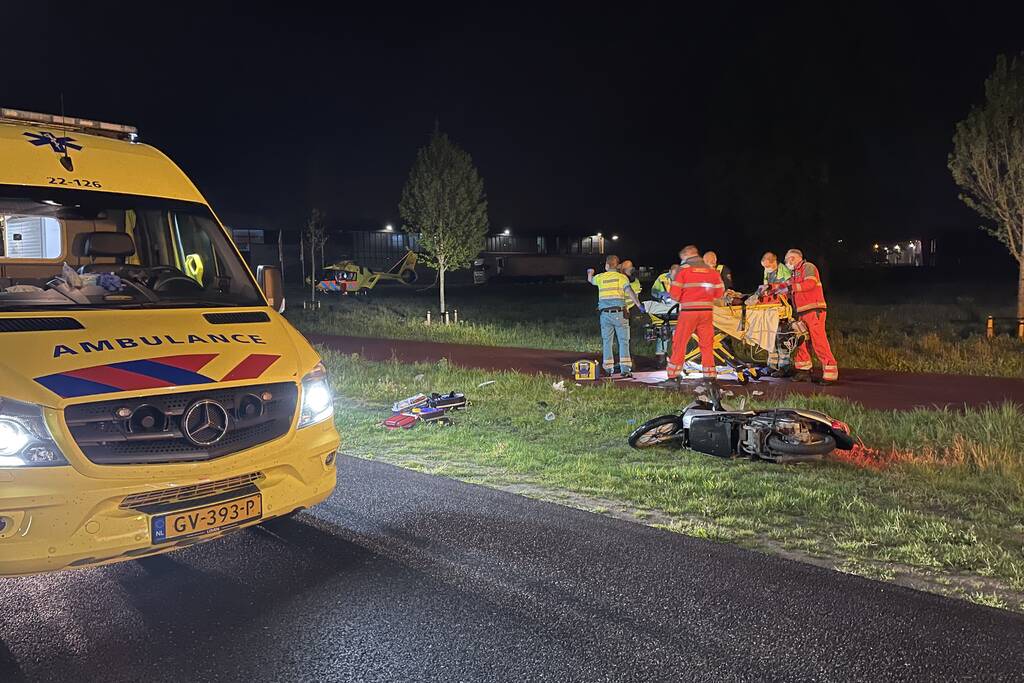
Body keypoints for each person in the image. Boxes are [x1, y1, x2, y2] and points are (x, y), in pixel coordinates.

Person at [665, 246, 725, 383]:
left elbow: (674, 294)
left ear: (687, 255)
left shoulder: (683, 270)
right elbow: (719, 293)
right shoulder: (712, 271)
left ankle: (673, 375)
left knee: (680, 342)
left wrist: (686, 298)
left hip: (688, 313)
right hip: (706, 312)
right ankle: (709, 375)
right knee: (707, 344)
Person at [779, 249, 838, 384]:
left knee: (818, 341)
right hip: (802, 312)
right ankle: (803, 370)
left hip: (814, 310)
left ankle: (830, 373)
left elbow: (809, 284)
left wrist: (790, 288)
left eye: (787, 260)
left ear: (793, 258)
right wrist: (773, 289)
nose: (787, 263)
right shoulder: (794, 273)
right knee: (801, 341)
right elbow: (787, 286)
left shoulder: (808, 267)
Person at [588, 255, 644, 378]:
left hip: (605, 315)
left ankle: (608, 368)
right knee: (624, 341)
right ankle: (625, 369)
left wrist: (590, 272)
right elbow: (630, 292)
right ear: (617, 266)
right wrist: (639, 305)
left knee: (607, 341)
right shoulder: (622, 278)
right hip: (620, 314)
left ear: (607, 266)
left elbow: (590, 280)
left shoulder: (600, 277)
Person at [758, 251, 794, 377]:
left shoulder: (784, 271)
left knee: (782, 336)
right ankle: (772, 365)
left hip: (783, 308)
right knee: (770, 337)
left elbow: (789, 288)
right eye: (764, 267)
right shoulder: (767, 271)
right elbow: (766, 287)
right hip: (771, 309)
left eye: (767, 266)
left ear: (774, 262)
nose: (766, 269)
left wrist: (773, 289)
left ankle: (784, 367)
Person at [650, 264, 680, 367]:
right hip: (664, 311)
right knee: (663, 334)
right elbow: (653, 291)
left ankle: (677, 359)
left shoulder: (683, 279)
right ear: (669, 272)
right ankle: (661, 360)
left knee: (678, 336)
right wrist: (661, 294)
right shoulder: (662, 278)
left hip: (678, 311)